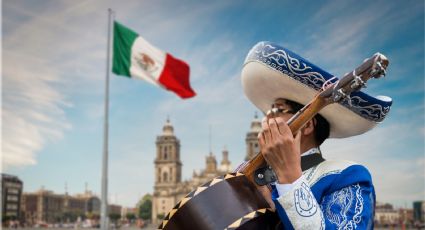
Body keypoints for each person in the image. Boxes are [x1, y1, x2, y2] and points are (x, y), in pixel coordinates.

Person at [241, 41, 392, 229]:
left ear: (307, 125)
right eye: (268, 113)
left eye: (278, 110)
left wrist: (289, 178)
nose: (266, 120)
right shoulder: (249, 174)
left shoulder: (347, 175)